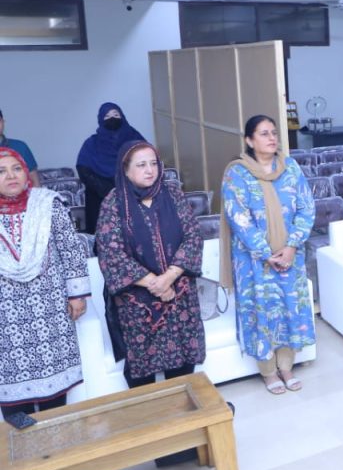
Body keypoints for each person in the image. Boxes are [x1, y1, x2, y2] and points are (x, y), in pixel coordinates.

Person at [96, 141, 204, 388]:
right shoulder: (113, 203)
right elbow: (111, 252)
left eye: (154, 163)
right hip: (137, 302)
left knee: (183, 366)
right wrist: (154, 283)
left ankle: (184, 418)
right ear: (125, 170)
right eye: (141, 165)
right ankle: (150, 420)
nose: (150, 170)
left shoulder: (173, 194)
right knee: (141, 372)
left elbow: (192, 237)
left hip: (179, 295)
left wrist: (168, 278)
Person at [221, 115, 315, 394]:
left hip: (291, 256)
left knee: (289, 308)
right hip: (254, 261)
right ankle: (268, 371)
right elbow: (238, 217)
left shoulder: (291, 168)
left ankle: (287, 366)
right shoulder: (236, 173)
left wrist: (291, 246)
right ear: (249, 140)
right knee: (261, 312)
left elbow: (306, 208)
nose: (272, 138)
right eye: (264, 134)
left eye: (274, 133)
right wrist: (266, 253)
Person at [0, 147, 89, 419]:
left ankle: (56, 450)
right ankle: (26, 459)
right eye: (1, 171)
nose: (11, 176)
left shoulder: (48, 203)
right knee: (14, 403)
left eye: (16, 168)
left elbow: (70, 250)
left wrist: (76, 295)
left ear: (27, 173)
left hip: (49, 309)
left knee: (55, 398)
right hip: (6, 316)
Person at [76, 102, 146, 233]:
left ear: (122, 116)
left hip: (133, 194)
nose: (112, 118)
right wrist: (107, 190)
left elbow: (146, 162)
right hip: (100, 197)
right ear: (101, 120)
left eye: (116, 114)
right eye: (107, 116)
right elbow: (83, 169)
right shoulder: (92, 143)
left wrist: (128, 186)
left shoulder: (135, 138)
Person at [0, 108, 40, 187]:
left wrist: (37, 199)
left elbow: (34, 181)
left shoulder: (20, 147)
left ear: (3, 122)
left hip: (22, 197)